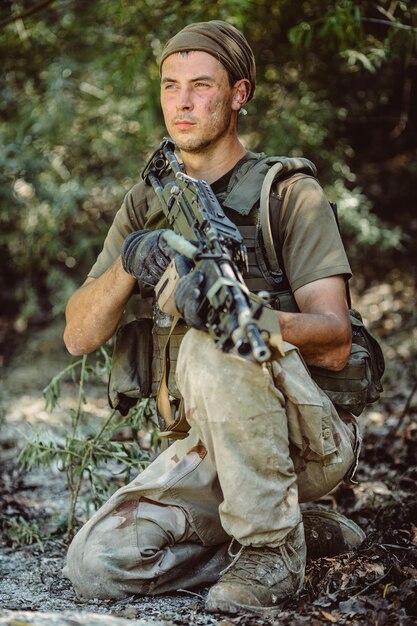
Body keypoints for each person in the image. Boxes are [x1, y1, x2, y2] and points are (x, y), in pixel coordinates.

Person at [62, 20, 365, 614]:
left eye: (201, 85)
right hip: (206, 446)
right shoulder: (146, 201)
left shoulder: (287, 193)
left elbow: (335, 340)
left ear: (239, 94)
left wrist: (242, 316)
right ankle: (297, 529)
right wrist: (131, 259)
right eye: (170, 85)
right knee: (94, 565)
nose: (182, 101)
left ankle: (273, 548)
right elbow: (79, 334)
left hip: (307, 439)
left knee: (213, 340)